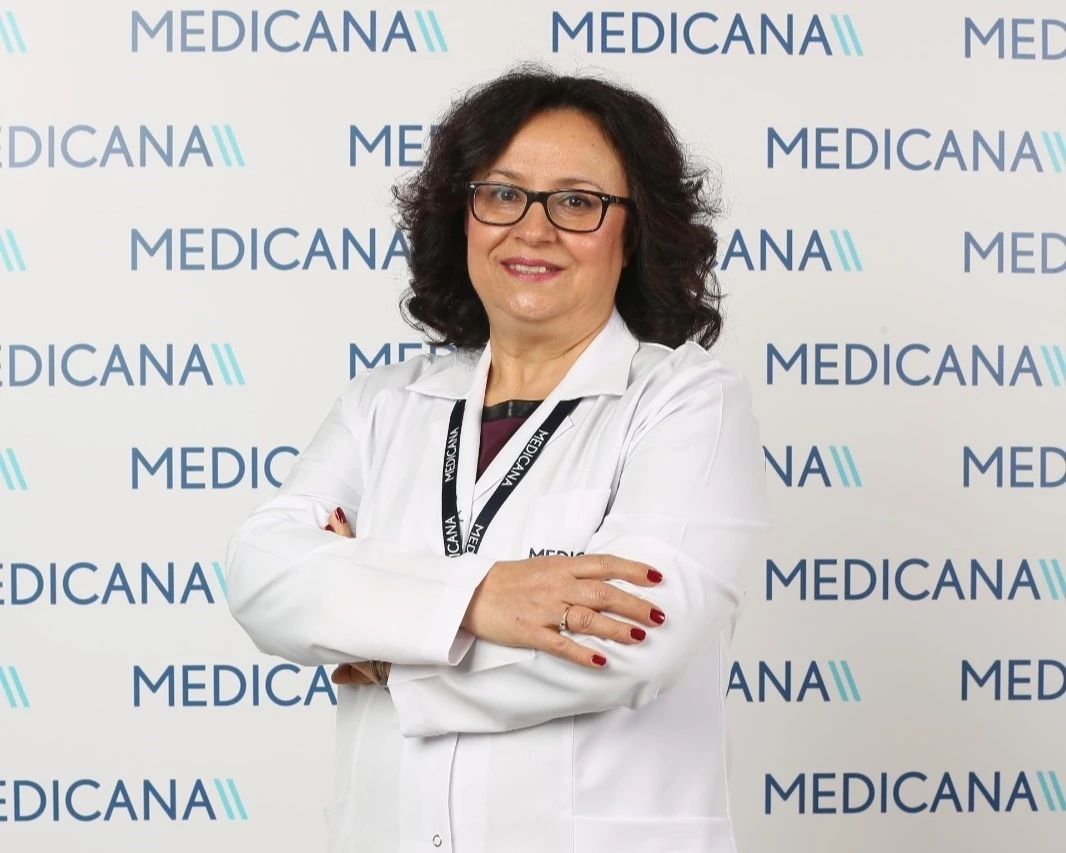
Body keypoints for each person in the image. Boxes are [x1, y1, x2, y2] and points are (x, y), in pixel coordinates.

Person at [224, 64, 770, 853]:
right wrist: (483, 599)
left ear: (634, 234)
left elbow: (630, 642)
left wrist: (386, 646)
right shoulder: (384, 403)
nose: (533, 229)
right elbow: (262, 573)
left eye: (577, 202)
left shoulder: (686, 402)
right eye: (503, 194)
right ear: (464, 217)